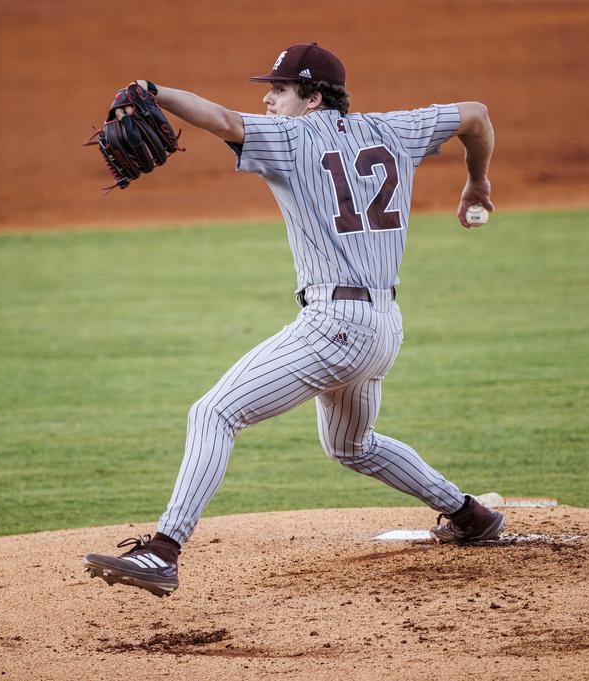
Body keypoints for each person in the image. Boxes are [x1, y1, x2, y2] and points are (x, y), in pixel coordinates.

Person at [84, 43, 502, 597]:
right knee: (353, 446)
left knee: (213, 413)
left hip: (333, 325)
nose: (268, 98)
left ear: (314, 97)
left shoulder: (289, 137)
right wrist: (477, 181)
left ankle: (164, 552)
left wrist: (156, 92)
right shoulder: (397, 130)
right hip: (383, 326)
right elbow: (476, 114)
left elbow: (225, 121)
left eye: (279, 89)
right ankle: (470, 515)